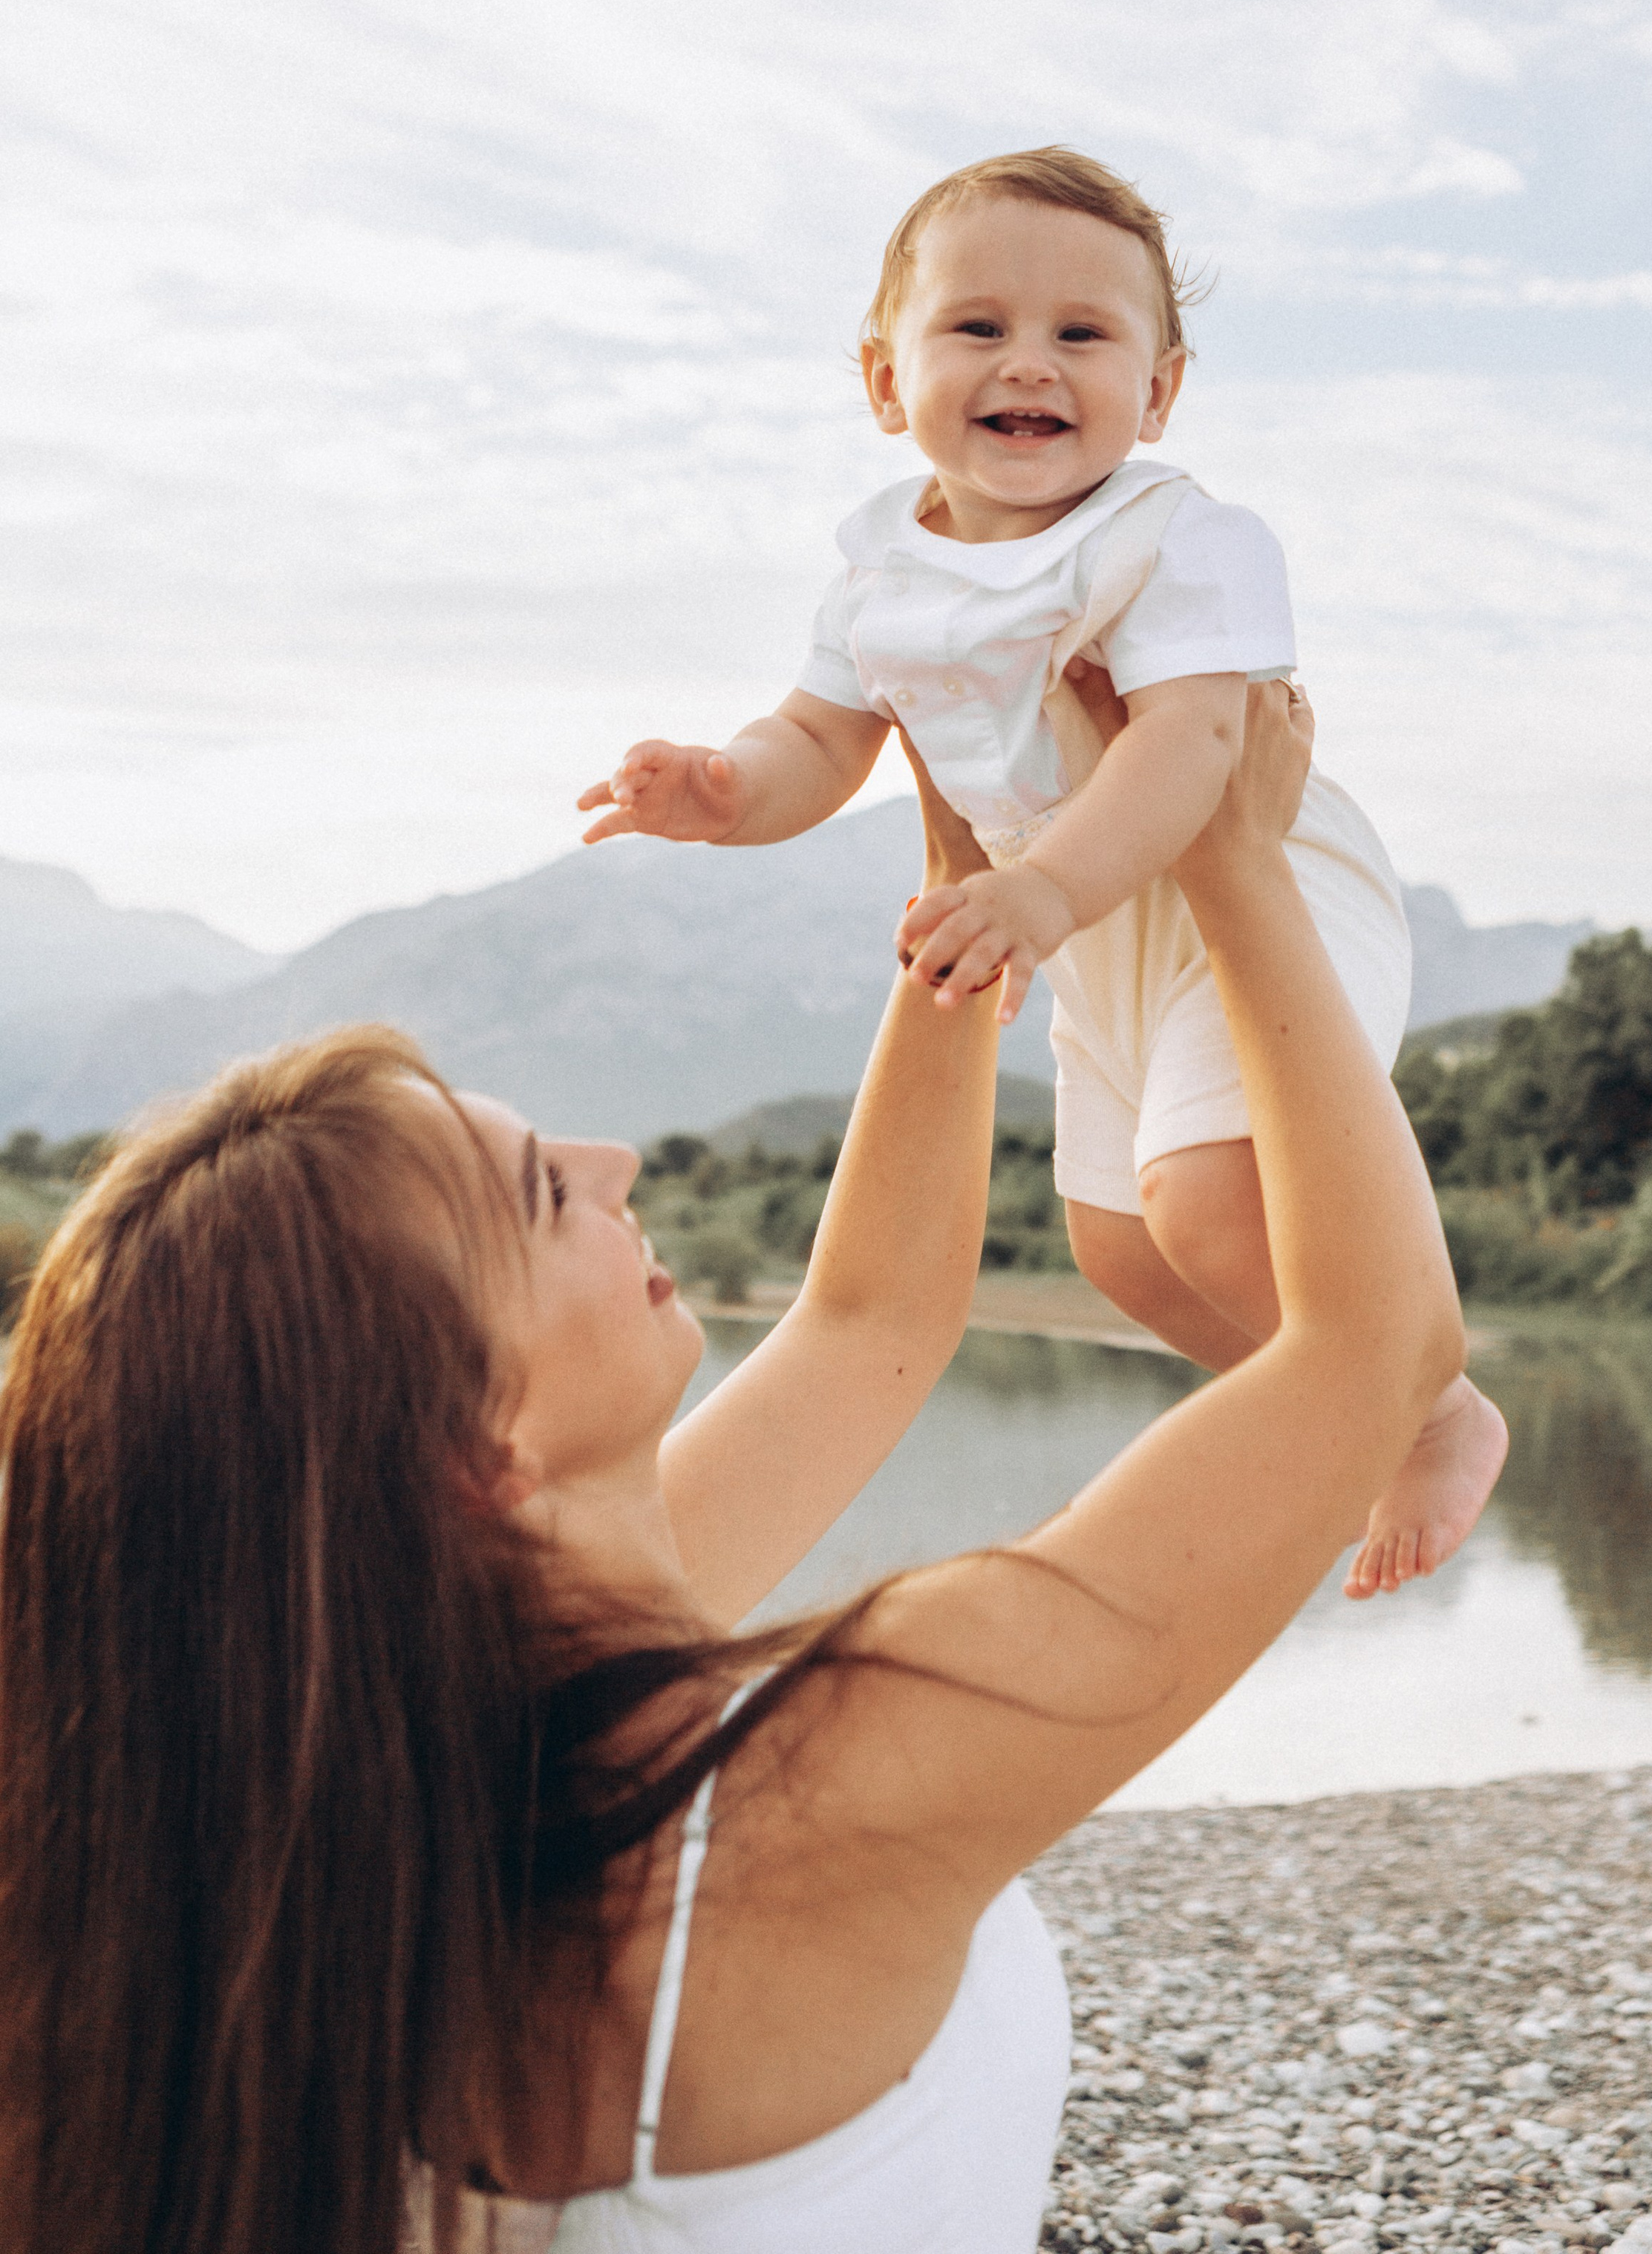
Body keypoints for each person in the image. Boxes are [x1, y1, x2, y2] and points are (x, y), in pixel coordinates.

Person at [0, 685, 1462, 2254]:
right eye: (535, 1195)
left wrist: (961, 879)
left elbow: (871, 1322)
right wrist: (1234, 859)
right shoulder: (805, 1796)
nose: (611, 1166)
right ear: (470, 1443)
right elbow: (1368, 1355)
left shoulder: (386, 1766)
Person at [579, 146, 1504, 1595]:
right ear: (885, 384)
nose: (1031, 363)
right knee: (1121, 1251)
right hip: (1070, 915)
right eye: (977, 328)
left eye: (1083, 333)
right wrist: (719, 791)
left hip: (1249, 889)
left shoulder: (1174, 539)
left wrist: (1040, 893)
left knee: (1203, 1202)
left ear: (1158, 390)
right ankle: (1346, 1400)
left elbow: (1192, 742)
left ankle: (1424, 1403)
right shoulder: (878, 579)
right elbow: (819, 742)